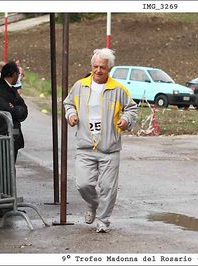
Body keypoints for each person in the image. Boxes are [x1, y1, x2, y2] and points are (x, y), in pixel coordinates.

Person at [63, 48, 137, 233]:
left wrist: (126, 120)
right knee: (83, 184)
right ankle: (93, 204)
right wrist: (71, 114)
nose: (97, 70)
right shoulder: (80, 86)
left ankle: (103, 220)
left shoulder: (119, 89)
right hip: (85, 145)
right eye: (95, 66)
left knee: (107, 187)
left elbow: (131, 109)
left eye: (102, 67)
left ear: (109, 69)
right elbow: (68, 103)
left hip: (109, 147)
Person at [0, 61, 28, 216]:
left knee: (7, 169)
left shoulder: (9, 90)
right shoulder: (0, 91)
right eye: (18, 74)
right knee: (1, 170)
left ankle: (5, 202)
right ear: (13, 75)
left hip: (10, 137)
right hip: (2, 136)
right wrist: (15, 109)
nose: (19, 76)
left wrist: (15, 109)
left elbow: (22, 110)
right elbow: (10, 111)